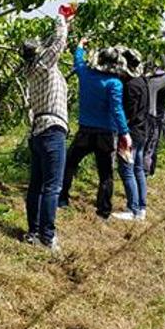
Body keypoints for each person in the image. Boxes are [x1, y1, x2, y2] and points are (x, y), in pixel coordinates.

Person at [20, 4, 76, 251]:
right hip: (52, 129)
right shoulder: (45, 65)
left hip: (39, 131)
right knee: (53, 186)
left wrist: (67, 24)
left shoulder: (33, 71)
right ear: (39, 53)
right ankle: (47, 236)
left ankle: (34, 232)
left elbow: (57, 44)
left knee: (37, 185)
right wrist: (61, 19)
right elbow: (59, 44)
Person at [59, 43, 131, 220]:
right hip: (106, 133)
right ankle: (103, 211)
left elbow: (78, 61)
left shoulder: (85, 74)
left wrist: (81, 46)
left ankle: (62, 199)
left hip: (85, 130)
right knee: (106, 174)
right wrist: (124, 132)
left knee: (69, 163)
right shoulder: (115, 83)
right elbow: (117, 109)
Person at [112, 48, 149, 221]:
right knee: (138, 169)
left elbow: (127, 113)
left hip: (131, 133)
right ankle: (141, 208)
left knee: (127, 170)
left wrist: (121, 131)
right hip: (142, 131)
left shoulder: (129, 86)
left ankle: (132, 209)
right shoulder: (142, 81)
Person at [144, 56, 165, 177]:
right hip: (155, 117)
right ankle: (147, 170)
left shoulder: (148, 80)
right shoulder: (159, 84)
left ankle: (148, 168)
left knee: (148, 143)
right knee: (152, 143)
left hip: (147, 115)